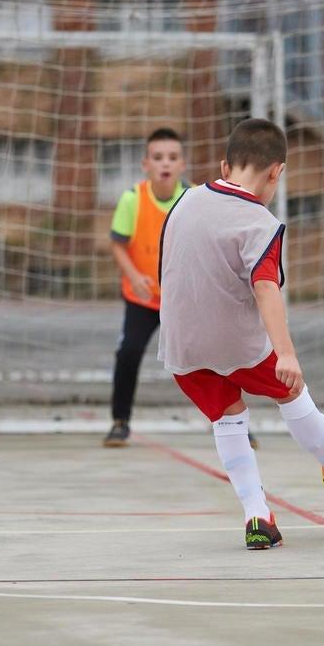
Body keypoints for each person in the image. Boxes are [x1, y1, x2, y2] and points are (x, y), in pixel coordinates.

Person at [157, 117, 324, 549]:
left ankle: (258, 518)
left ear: (224, 164)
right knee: (291, 390)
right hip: (233, 341)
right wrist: (285, 353)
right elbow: (265, 286)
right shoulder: (259, 221)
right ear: (277, 172)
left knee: (228, 416)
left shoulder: (184, 200)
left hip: (179, 344)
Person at [103, 128, 189, 447]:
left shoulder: (192, 199)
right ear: (145, 164)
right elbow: (117, 244)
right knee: (128, 352)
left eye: (172, 157)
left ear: (182, 164)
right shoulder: (132, 199)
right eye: (157, 157)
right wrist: (135, 276)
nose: (165, 163)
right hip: (142, 298)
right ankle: (120, 421)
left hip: (182, 300)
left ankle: (234, 422)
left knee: (212, 355)